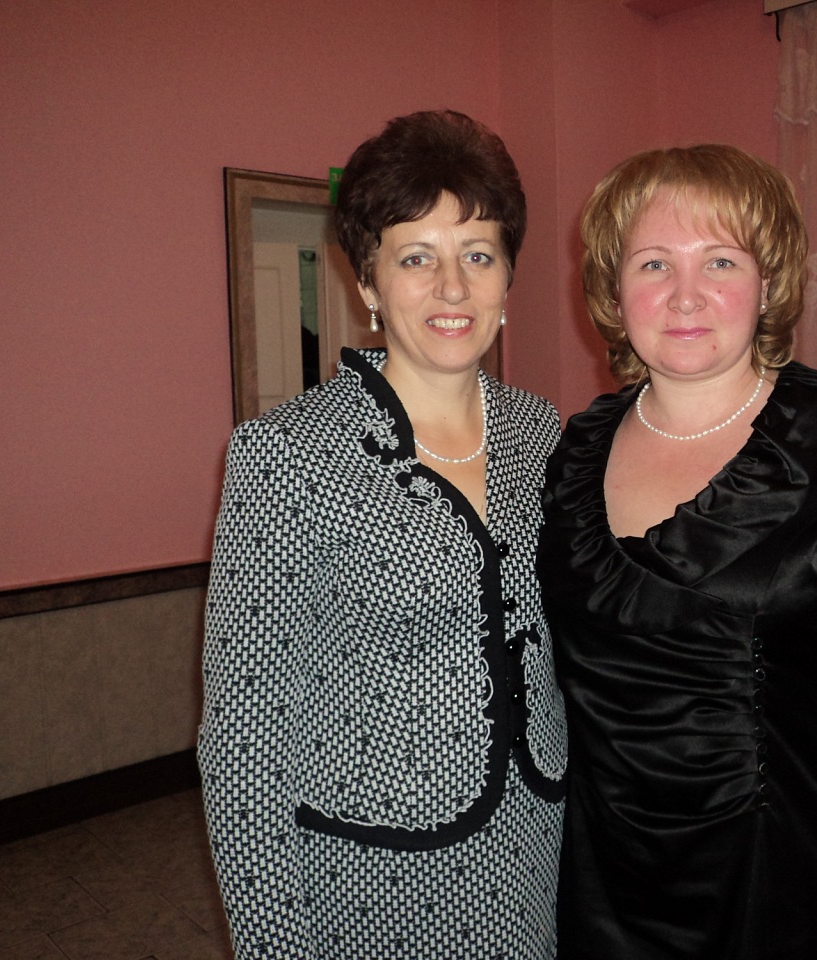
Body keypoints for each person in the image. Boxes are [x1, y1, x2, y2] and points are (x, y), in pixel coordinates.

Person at [538, 145, 817, 960]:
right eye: (654, 263)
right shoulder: (574, 453)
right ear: (614, 290)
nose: (686, 294)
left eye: (721, 260)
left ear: (768, 283)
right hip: (601, 890)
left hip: (784, 886)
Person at [199, 110, 566, 959]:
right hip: (375, 876)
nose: (453, 287)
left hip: (537, 843)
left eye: (479, 255)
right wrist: (274, 945)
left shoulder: (541, 434)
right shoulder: (287, 454)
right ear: (367, 282)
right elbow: (244, 737)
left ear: (508, 277)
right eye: (416, 257)